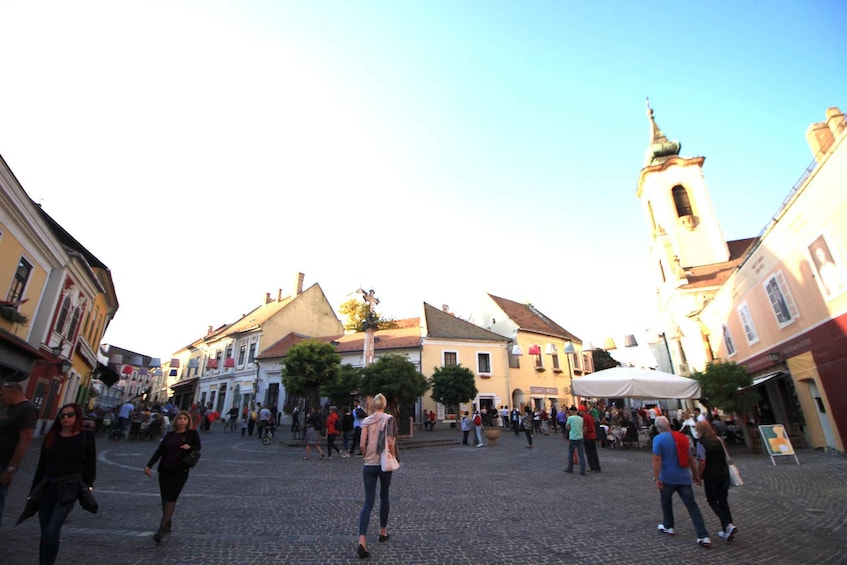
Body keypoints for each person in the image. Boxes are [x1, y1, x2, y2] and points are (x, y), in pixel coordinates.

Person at [30, 403, 96, 565]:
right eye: (62, 415)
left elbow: (91, 463)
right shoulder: (52, 436)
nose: (65, 418)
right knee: (46, 531)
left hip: (68, 488)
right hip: (47, 487)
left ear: (77, 416)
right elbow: (42, 465)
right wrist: (33, 491)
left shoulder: (85, 437)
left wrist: (87, 485)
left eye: (70, 415)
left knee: (52, 529)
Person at [652, 416, 711, 548]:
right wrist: (696, 475)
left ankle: (668, 525)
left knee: (666, 501)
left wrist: (656, 477)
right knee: (692, 506)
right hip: (683, 476)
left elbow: (657, 460)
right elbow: (690, 458)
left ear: (658, 428)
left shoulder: (658, 439)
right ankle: (703, 535)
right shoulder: (682, 438)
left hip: (667, 477)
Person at [144, 410, 201, 544]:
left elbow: (198, 447)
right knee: (165, 497)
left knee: (171, 498)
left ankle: (162, 528)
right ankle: (167, 524)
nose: (182, 421)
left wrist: (189, 447)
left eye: (185, 419)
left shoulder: (192, 434)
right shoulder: (170, 435)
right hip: (165, 470)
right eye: (180, 419)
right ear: (176, 420)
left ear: (188, 421)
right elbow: (160, 451)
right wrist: (149, 465)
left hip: (180, 470)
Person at [356, 394, 398, 559]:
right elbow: (390, 441)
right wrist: (393, 456)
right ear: (385, 405)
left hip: (369, 465)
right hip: (384, 464)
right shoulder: (388, 419)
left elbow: (361, 444)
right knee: (384, 496)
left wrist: (366, 456)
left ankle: (362, 541)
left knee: (368, 502)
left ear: (373, 406)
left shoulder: (366, 421)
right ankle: (382, 531)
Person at [0, 381, 37, 526]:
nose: (0, 397)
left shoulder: (27, 409)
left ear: (13, 392)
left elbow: (25, 439)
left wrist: (10, 468)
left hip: (3, 463)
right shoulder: (7, 407)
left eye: (2, 394)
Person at [695, 420, 738, 542]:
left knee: (712, 501)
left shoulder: (701, 444)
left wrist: (698, 475)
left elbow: (702, 462)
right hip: (723, 473)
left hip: (711, 476)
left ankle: (727, 524)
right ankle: (727, 529)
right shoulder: (717, 440)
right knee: (723, 501)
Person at [565, 406, 586, 475]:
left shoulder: (570, 418)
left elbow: (567, 427)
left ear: (571, 411)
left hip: (573, 437)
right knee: (581, 454)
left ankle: (570, 468)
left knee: (571, 453)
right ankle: (582, 470)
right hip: (580, 437)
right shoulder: (581, 418)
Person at [581, 407, 601, 472]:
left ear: (582, 411)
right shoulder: (590, 416)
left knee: (589, 453)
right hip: (593, 436)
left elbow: (585, 427)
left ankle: (592, 467)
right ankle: (597, 467)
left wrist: (583, 435)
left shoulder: (585, 417)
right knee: (594, 452)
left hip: (588, 436)